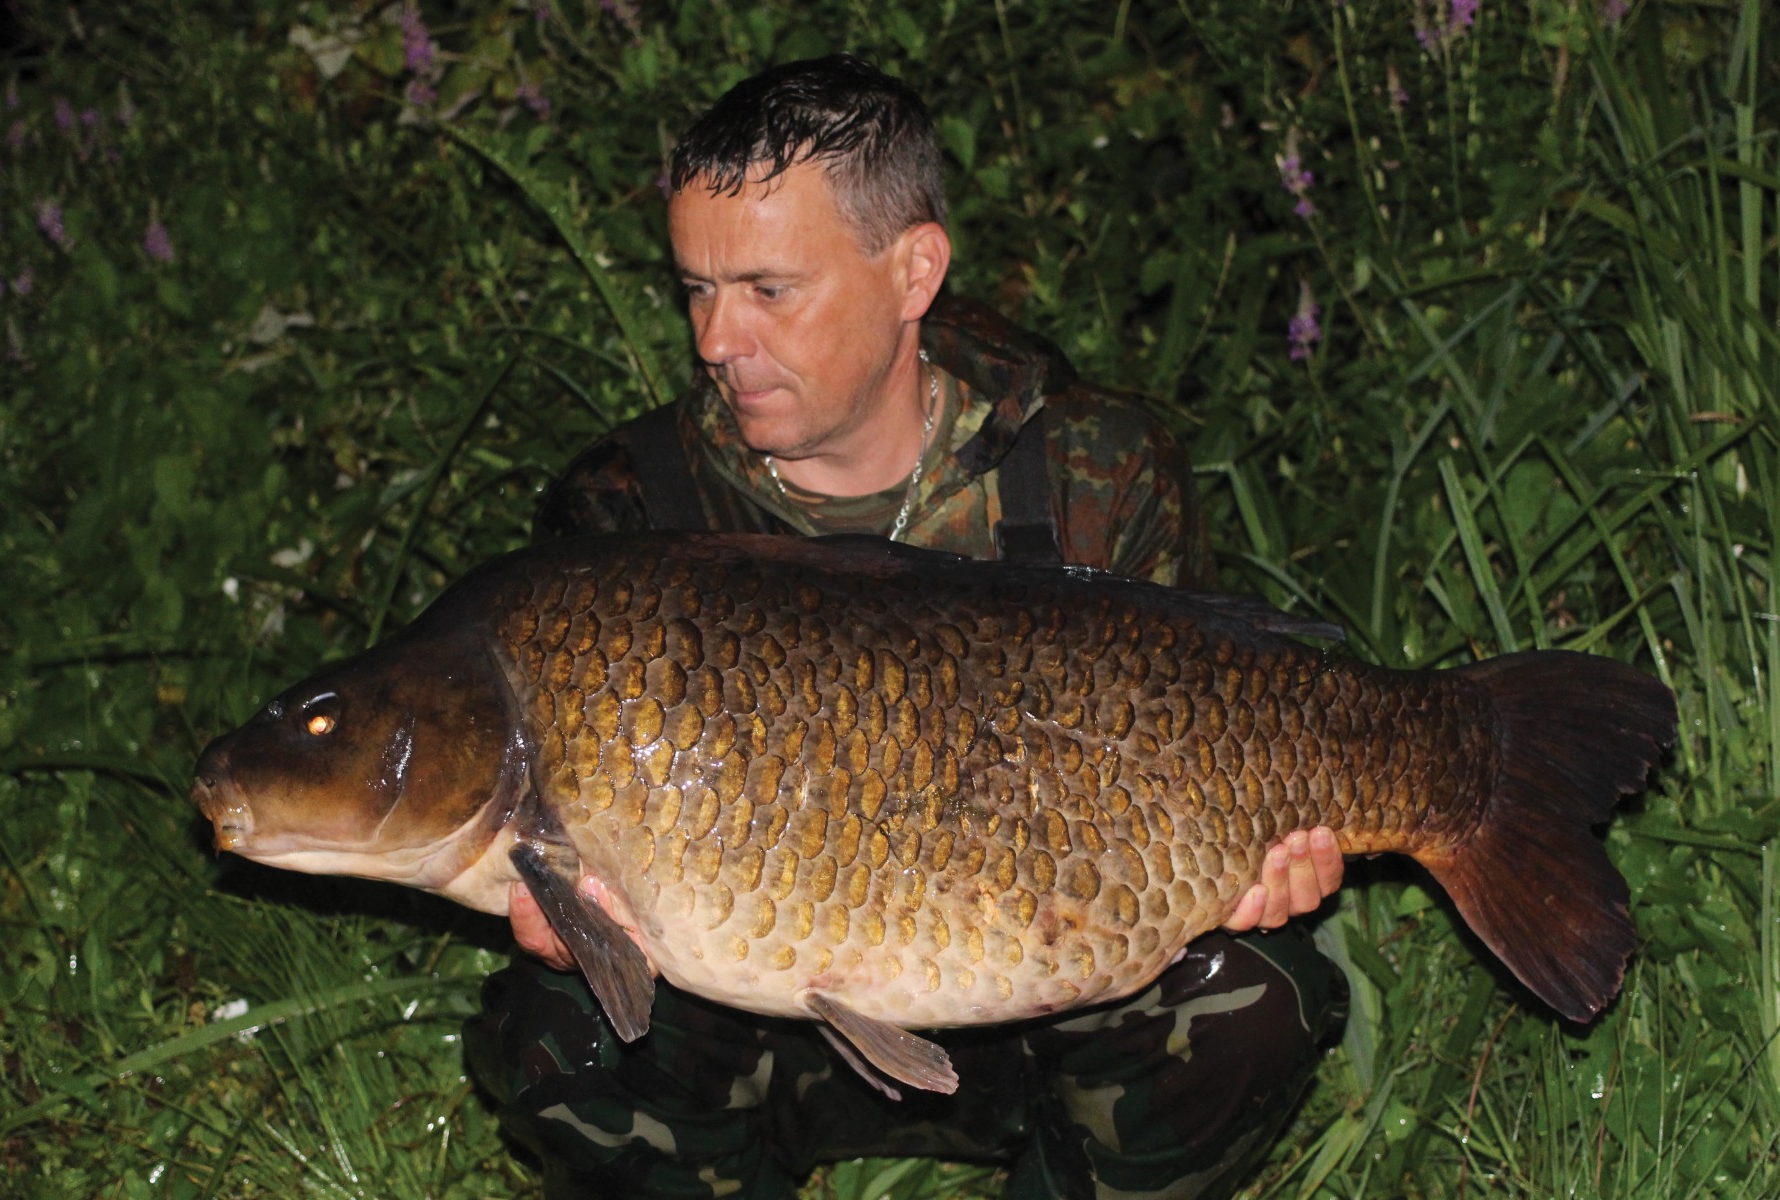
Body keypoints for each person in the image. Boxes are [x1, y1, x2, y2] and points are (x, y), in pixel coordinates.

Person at [464, 54, 1348, 1200]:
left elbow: (1203, 734)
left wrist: (1247, 860)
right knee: (561, 1034)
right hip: (746, 1013)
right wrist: (567, 919)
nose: (716, 340)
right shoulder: (627, 516)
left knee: (1252, 994)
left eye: (768, 290)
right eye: (695, 288)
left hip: (1045, 993)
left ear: (912, 269)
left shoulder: (1095, 472)